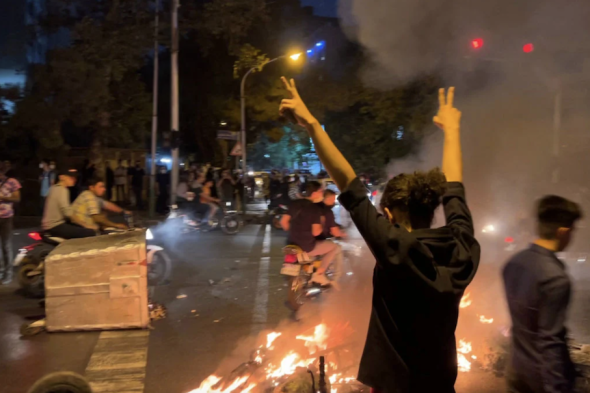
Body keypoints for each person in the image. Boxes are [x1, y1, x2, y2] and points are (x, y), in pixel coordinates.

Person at [280, 78, 480, 392]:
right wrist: (453, 131)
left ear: (388, 214)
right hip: (441, 385)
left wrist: (312, 125)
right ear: (432, 207)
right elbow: (455, 190)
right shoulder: (462, 247)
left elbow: (348, 184)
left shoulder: (395, 248)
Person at [503, 196, 582, 393]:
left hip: (515, 371)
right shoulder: (555, 279)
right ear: (563, 232)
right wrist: (556, 387)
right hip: (540, 382)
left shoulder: (513, 264)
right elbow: (550, 342)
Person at [280, 181, 340, 287]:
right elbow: (316, 232)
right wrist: (322, 224)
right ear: (314, 193)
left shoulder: (295, 203)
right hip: (307, 246)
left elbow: (283, 222)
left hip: (291, 243)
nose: (322, 194)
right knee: (334, 247)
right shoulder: (314, 208)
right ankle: (319, 274)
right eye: (320, 191)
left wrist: (295, 230)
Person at [42, 169, 96, 239]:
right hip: (55, 226)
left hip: (48, 225)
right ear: (61, 177)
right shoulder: (63, 190)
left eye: (75, 178)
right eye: (70, 177)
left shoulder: (53, 188)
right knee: (90, 232)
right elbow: (68, 212)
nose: (74, 180)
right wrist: (85, 225)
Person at [0, 163, 21, 284]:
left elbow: (17, 198)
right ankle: (1, 272)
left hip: (6, 217)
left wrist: (3, 197)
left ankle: (8, 274)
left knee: (6, 246)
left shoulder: (12, 181)